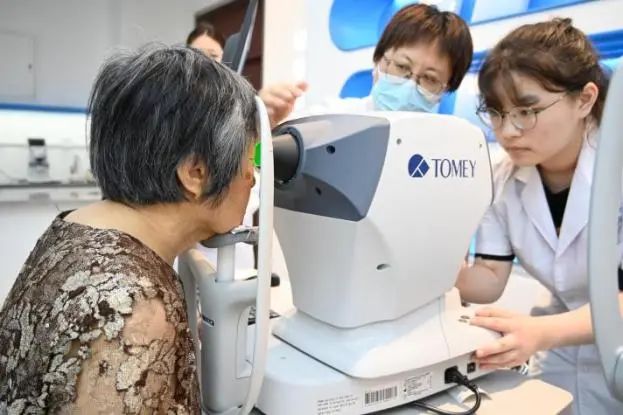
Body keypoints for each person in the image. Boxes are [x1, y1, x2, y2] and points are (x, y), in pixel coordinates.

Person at [0, 45, 258, 413]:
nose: (252, 178)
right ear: (195, 173)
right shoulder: (136, 309)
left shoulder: (77, 227)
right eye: (248, 159)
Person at [456, 18, 622, 414]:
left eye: (527, 111)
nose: (508, 131)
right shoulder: (501, 178)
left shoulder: (616, 167)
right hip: (559, 353)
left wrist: (541, 332)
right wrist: (434, 267)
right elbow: (489, 279)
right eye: (496, 113)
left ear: (584, 100)